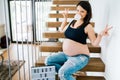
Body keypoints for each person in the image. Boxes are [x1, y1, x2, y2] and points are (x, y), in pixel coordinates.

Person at [45, 1, 112, 80]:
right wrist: (65, 18)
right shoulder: (72, 21)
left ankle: (66, 74)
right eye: (77, 10)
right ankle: (68, 73)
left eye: (82, 11)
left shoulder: (88, 26)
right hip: (66, 55)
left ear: (87, 13)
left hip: (80, 57)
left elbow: (94, 44)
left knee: (62, 73)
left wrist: (100, 35)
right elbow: (61, 30)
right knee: (48, 61)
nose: (79, 13)